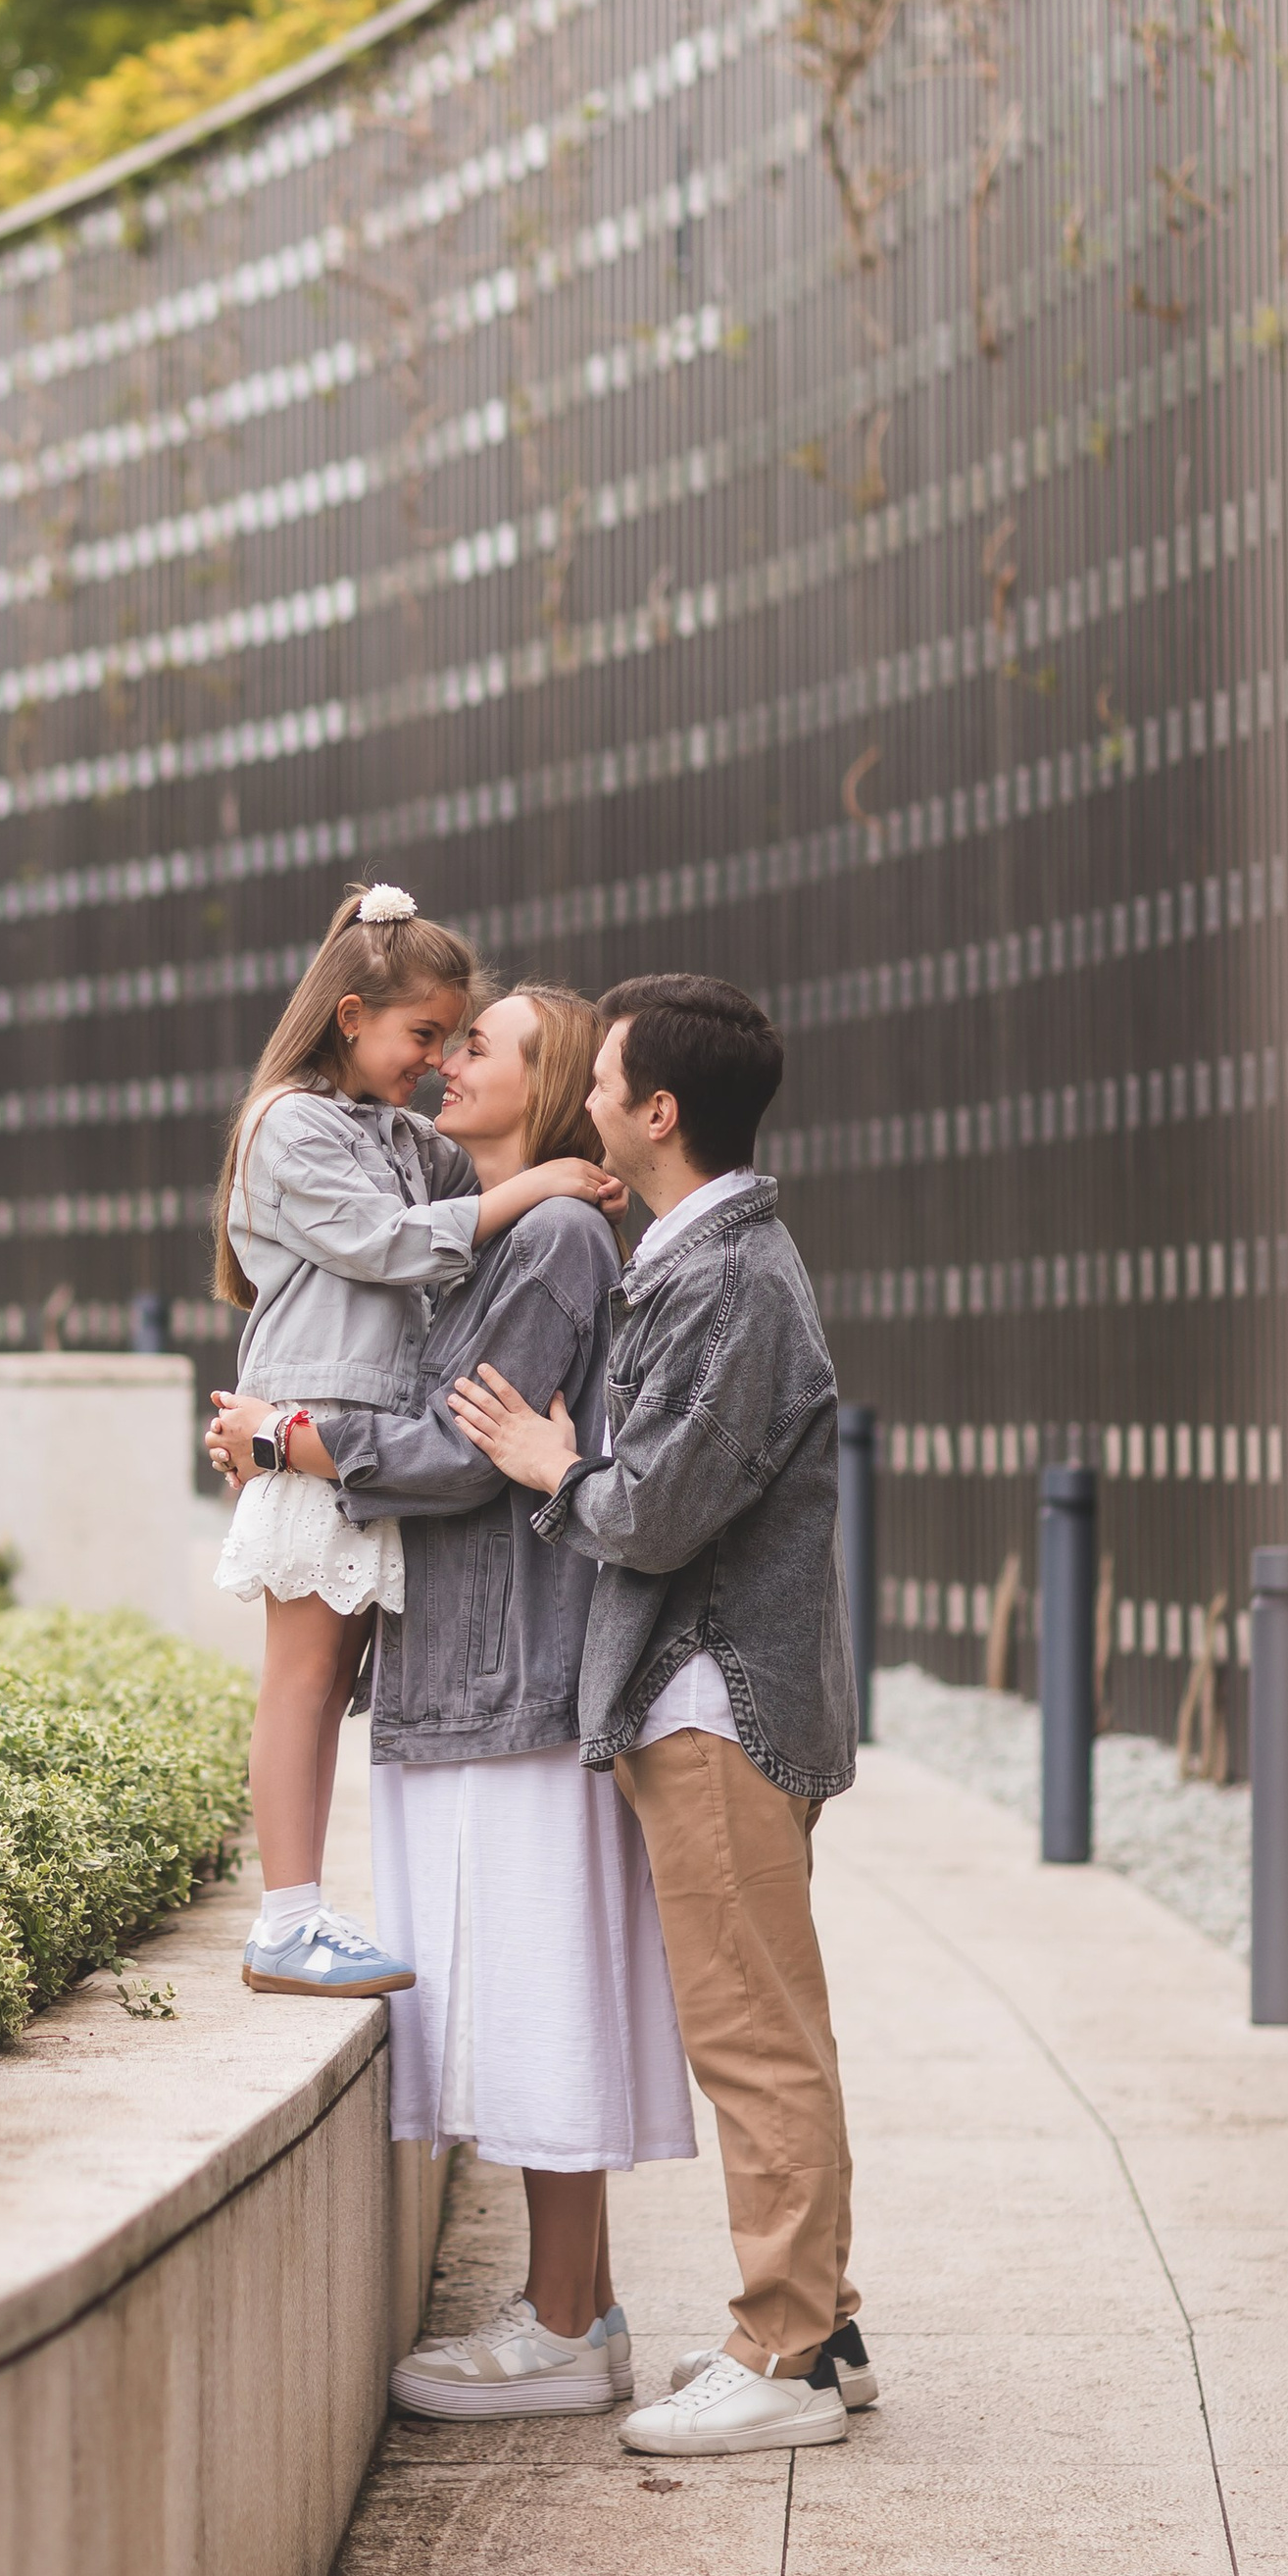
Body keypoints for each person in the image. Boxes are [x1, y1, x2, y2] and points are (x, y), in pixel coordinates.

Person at [207, 986, 693, 2416]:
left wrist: (293, 1438)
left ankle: (564, 2328)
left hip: (513, 1675)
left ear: (541, 1088)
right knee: (530, 1997)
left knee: (543, 2003)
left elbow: (460, 1449)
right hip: (470, 1669)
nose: (447, 1061)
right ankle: (579, 2312)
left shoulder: (551, 1237)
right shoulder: (484, 1225)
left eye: (478, 1044)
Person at [447, 972, 872, 2457]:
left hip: (712, 1703)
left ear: (659, 1113)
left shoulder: (731, 1280)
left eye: (604, 1080)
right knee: (770, 2022)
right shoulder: (703, 1259)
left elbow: (657, 1510)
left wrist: (549, 1464)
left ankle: (786, 2354)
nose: (586, 1099)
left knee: (752, 2035)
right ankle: (821, 2327)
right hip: (711, 1696)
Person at [209, 884, 621, 1999]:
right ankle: (285, 1917)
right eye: (425, 1036)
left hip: (352, 1429)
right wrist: (543, 1182)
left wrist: (565, 1179)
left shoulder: (392, 1131)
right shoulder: (288, 1123)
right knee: (303, 1677)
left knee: (328, 1676)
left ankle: (299, 1909)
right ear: (350, 1017)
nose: (437, 1063)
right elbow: (393, 1243)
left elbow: (481, 1187)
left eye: (456, 1041)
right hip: (318, 1411)